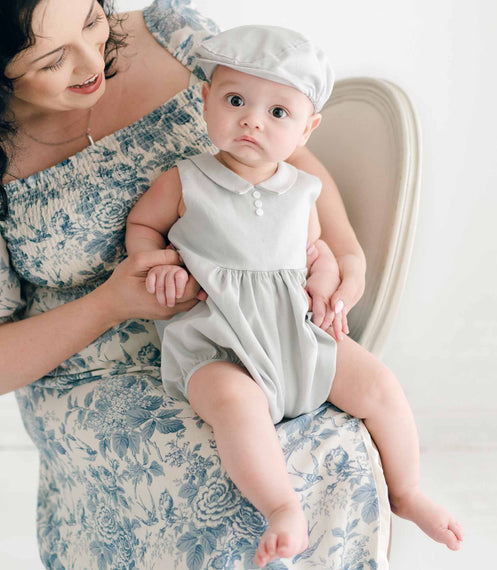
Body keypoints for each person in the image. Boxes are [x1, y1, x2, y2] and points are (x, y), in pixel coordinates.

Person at [0, 1, 390, 567]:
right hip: (99, 370)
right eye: (52, 58)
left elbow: (292, 158)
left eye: (90, 20)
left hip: (260, 323)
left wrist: (343, 256)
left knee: (332, 448)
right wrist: (112, 302)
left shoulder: (174, 34)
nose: (92, 63)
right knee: (214, 478)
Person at [126, 25, 464, 568]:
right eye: (235, 100)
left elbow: (316, 251)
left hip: (296, 335)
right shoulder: (185, 181)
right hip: (221, 341)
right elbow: (143, 227)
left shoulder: (305, 190)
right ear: (206, 102)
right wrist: (156, 262)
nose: (252, 120)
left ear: (307, 129)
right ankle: (282, 506)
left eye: (278, 113)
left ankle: (408, 492)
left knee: (378, 383)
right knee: (236, 407)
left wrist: (326, 274)